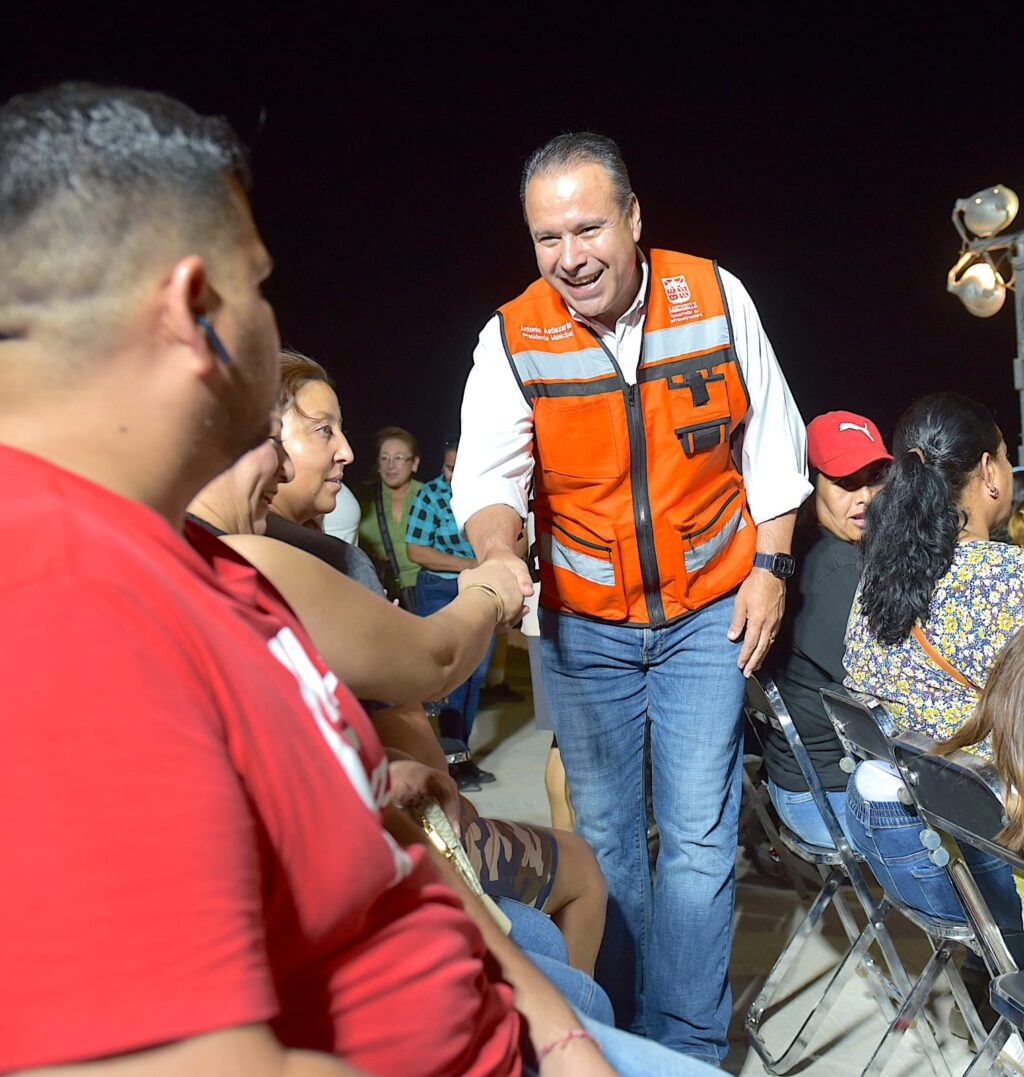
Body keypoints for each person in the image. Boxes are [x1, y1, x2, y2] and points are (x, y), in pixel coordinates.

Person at [0, 82, 718, 1077]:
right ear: (195, 309)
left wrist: (549, 1021)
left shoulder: (202, 562)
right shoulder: (59, 605)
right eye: (258, 286)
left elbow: (387, 841)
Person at [452, 130, 809, 1062]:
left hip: (707, 617)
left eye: (588, 228)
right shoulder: (512, 336)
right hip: (582, 629)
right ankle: (621, 1031)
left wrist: (770, 568)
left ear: (635, 217)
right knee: (607, 842)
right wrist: (501, 556)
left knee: (696, 836)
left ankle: (683, 1042)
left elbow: (773, 445)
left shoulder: (717, 296)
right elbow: (487, 481)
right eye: (546, 238)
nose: (569, 257)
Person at [842, 391, 1024, 956]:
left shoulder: (876, 581)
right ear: (989, 471)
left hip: (911, 842)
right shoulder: (1009, 580)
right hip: (994, 850)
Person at [761, 411, 891, 847]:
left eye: (875, 478)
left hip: (801, 782)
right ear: (808, 487)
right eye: (846, 483)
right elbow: (894, 690)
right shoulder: (835, 569)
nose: (866, 497)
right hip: (826, 798)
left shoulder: (802, 550)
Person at [407, 434, 497, 785]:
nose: (452, 475)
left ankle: (462, 755)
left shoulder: (487, 494)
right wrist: (468, 563)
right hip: (440, 589)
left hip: (479, 585)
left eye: (460, 468)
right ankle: (446, 759)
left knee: (475, 674)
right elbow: (417, 550)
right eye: (448, 468)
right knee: (449, 676)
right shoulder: (430, 495)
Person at [358, 425, 423, 607]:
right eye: (384, 458)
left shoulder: (428, 496)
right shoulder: (362, 499)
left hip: (426, 592)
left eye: (399, 458)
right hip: (379, 592)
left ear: (415, 463)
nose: (391, 465)